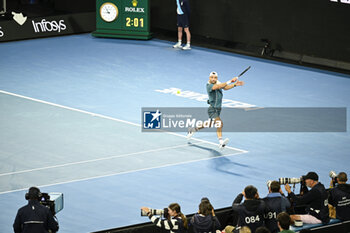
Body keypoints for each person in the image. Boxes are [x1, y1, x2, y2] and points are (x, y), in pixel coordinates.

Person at [187, 71, 244, 148]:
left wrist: (234, 85)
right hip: (212, 109)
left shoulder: (218, 82)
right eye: (212, 77)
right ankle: (221, 142)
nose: (213, 79)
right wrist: (230, 81)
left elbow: (225, 87)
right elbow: (217, 87)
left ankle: (193, 129)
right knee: (220, 123)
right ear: (209, 78)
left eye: (215, 77)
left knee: (209, 124)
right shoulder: (209, 85)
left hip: (218, 109)